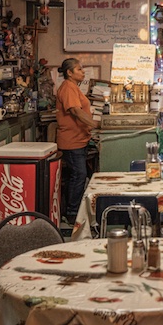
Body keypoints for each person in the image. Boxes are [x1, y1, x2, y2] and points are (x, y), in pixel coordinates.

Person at [55, 58, 98, 225]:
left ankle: (77, 210)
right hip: (71, 142)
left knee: (80, 175)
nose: (83, 71)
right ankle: (72, 213)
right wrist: (94, 124)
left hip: (80, 139)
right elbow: (76, 111)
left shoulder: (73, 87)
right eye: (79, 69)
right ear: (69, 73)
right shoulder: (68, 87)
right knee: (78, 175)